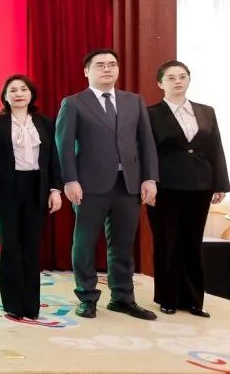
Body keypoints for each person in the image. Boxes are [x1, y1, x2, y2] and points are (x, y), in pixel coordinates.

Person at [55, 48, 159, 320]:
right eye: (100, 65)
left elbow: (146, 142)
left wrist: (149, 178)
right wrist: (70, 180)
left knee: (123, 244)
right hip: (89, 185)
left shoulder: (133, 101)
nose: (107, 69)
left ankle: (122, 298)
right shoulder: (73, 103)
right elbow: (63, 146)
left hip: (128, 184)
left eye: (112, 64)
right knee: (85, 243)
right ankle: (87, 296)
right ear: (86, 71)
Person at [147, 61, 230, 318]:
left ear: (189, 80)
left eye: (182, 76)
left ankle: (193, 300)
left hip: (200, 185)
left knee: (192, 243)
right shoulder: (150, 113)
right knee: (167, 242)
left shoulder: (206, 111)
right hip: (165, 186)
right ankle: (168, 297)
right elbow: (145, 151)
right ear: (160, 83)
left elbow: (216, 147)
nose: (178, 81)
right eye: (171, 77)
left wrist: (221, 184)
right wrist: (148, 182)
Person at [0, 75, 62, 319]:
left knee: (31, 245)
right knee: (10, 245)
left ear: (31, 94)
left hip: (37, 186)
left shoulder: (46, 123)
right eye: (13, 90)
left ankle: (31, 305)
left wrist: (55, 190)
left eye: (23, 89)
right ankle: (13, 304)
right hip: (6, 187)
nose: (18, 94)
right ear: (5, 96)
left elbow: (54, 158)